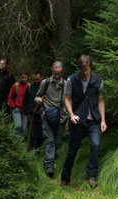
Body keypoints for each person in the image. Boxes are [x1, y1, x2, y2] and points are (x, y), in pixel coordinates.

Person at [60, 55, 106, 187]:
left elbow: (101, 100)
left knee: (95, 146)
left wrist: (103, 119)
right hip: (78, 120)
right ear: (80, 69)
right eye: (83, 70)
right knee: (72, 150)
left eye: (88, 70)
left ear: (90, 67)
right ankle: (65, 177)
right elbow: (67, 99)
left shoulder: (98, 81)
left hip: (94, 121)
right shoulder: (72, 80)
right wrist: (71, 115)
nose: (86, 73)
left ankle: (91, 176)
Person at [35, 61, 69, 177]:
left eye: (59, 74)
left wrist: (68, 120)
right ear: (52, 71)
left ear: (62, 72)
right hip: (47, 116)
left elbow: (69, 103)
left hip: (61, 117)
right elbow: (37, 96)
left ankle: (52, 156)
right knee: (49, 140)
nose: (57, 76)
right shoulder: (45, 82)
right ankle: (49, 166)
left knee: (57, 141)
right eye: (55, 73)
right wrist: (38, 100)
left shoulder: (66, 84)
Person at [26, 70, 45, 151]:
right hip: (31, 114)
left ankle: (38, 151)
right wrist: (27, 111)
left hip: (42, 114)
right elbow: (25, 100)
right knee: (32, 133)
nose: (36, 81)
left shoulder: (45, 86)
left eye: (38, 79)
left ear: (41, 77)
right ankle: (31, 151)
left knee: (40, 134)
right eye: (34, 79)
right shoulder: (30, 87)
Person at [8, 71, 30, 137]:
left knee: (23, 128)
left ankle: (20, 143)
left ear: (27, 78)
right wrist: (13, 106)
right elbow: (10, 97)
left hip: (25, 109)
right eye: (22, 77)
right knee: (18, 125)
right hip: (16, 108)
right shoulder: (15, 85)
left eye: (25, 77)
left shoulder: (29, 86)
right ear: (19, 77)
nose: (23, 79)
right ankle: (14, 139)